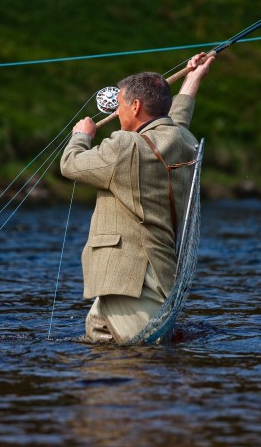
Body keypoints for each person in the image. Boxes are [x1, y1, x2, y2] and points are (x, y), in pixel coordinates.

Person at [60, 52, 215, 343]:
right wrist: (193, 78)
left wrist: (81, 135)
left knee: (144, 355)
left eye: (119, 106)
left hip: (130, 280)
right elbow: (175, 120)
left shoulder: (124, 146)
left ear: (136, 106)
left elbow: (70, 164)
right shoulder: (182, 141)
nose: (116, 113)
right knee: (103, 351)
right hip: (154, 271)